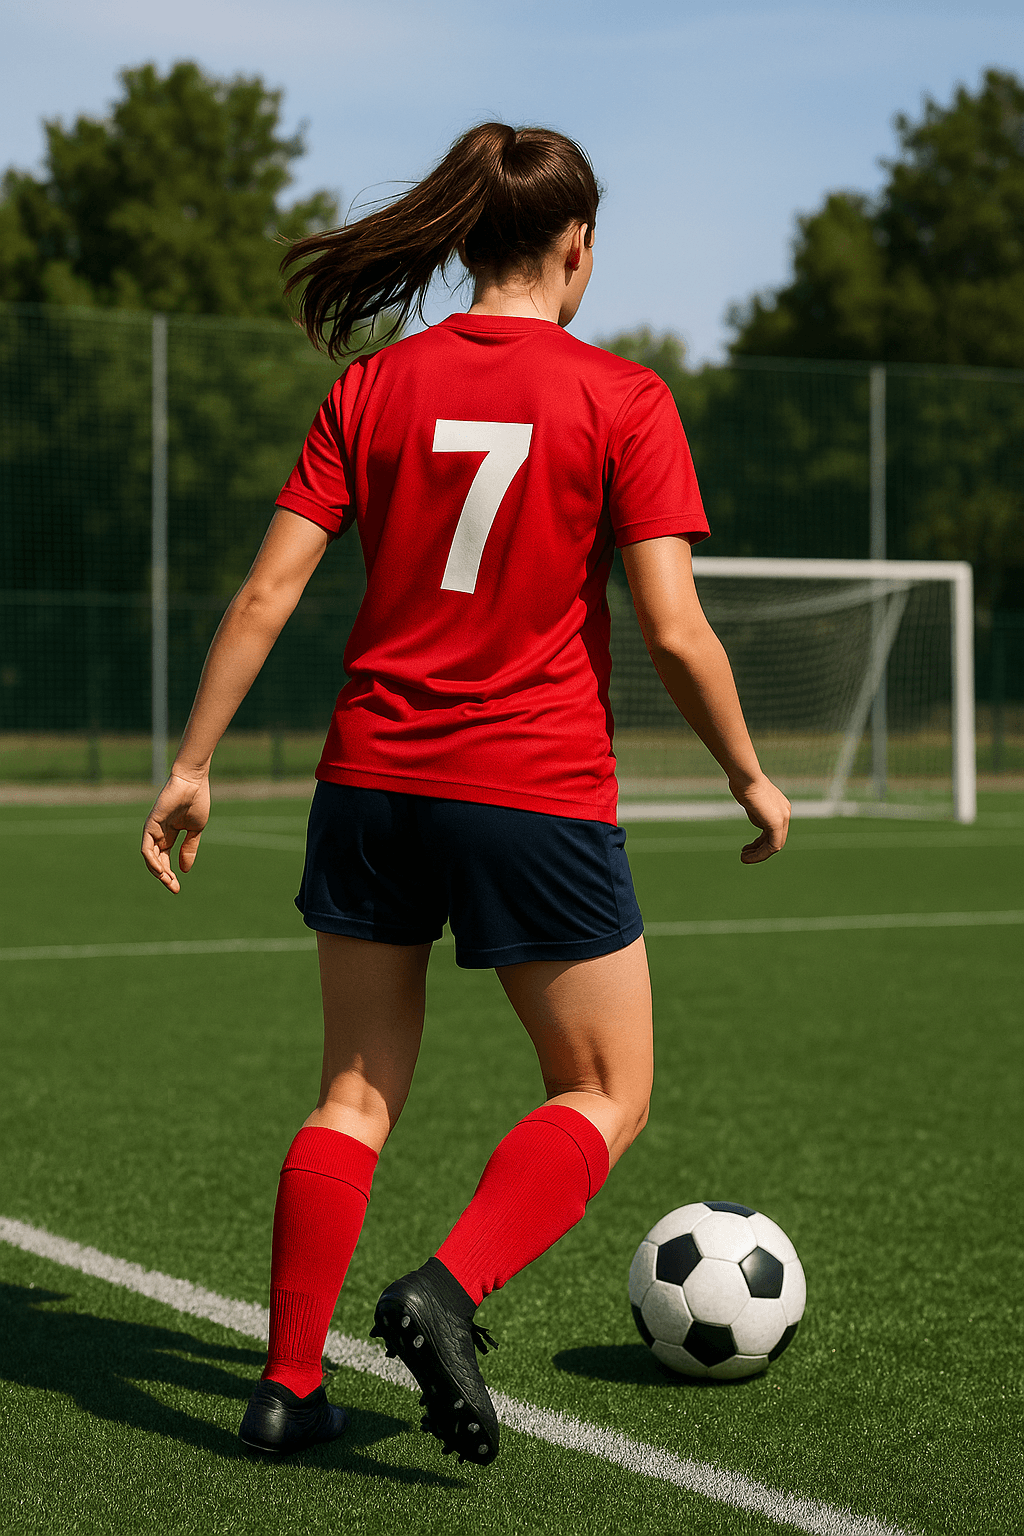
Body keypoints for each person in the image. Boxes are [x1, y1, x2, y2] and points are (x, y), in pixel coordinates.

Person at [141, 122, 790, 1466]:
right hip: (533, 789)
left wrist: (193, 763)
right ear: (575, 248)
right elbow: (673, 630)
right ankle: (446, 1289)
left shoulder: (372, 389)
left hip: (370, 780)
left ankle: (284, 1385)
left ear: (462, 240)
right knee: (607, 1089)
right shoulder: (624, 398)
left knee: (354, 1095)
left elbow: (268, 592)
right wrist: (748, 771)